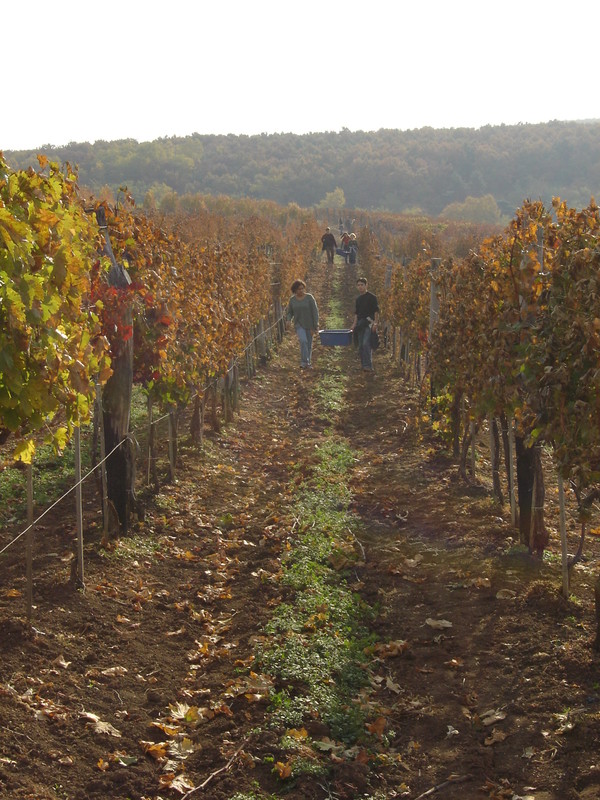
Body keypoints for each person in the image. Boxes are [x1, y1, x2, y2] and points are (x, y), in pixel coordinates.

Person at [286, 279, 319, 369]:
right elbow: (290, 312)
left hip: (310, 324)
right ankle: (304, 362)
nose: (301, 291)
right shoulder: (292, 300)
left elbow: (315, 312)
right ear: (295, 290)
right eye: (299, 289)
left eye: (302, 288)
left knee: (308, 344)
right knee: (303, 341)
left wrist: (315, 325)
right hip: (299, 324)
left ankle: (307, 362)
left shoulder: (309, 298)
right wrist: (288, 320)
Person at [350, 277, 379, 371]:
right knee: (361, 345)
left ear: (366, 285)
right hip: (360, 324)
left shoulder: (372, 297)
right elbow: (357, 313)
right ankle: (363, 365)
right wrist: (354, 324)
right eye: (358, 285)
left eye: (362, 285)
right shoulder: (358, 299)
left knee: (366, 343)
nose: (360, 287)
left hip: (369, 323)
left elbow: (376, 311)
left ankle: (368, 365)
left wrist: (375, 323)